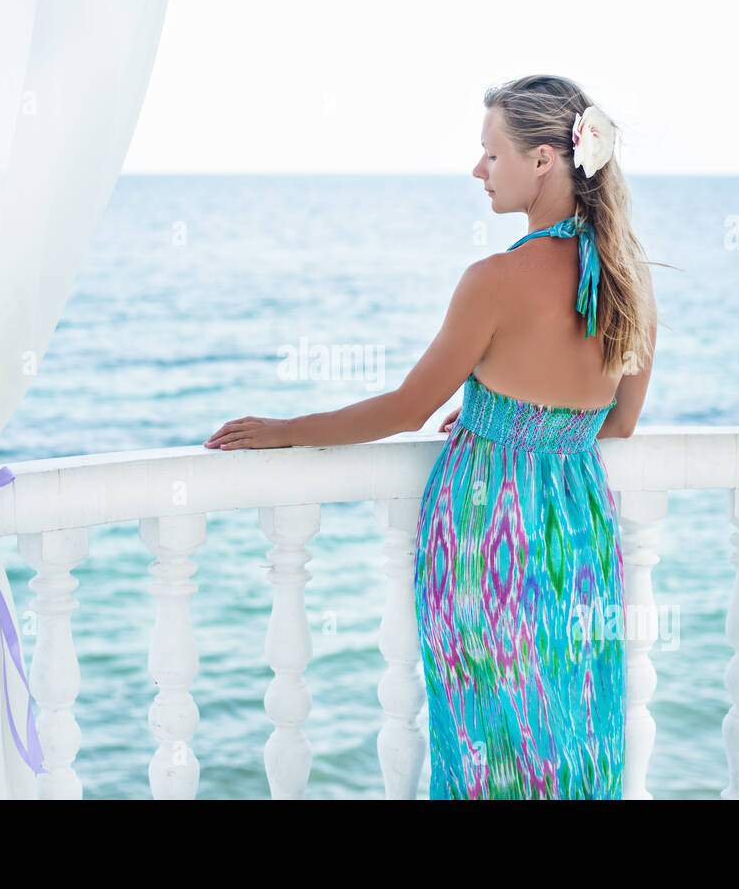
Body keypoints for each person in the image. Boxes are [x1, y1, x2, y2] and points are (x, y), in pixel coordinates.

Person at [204, 73, 658, 800]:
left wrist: (283, 430)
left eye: (490, 154)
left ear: (544, 160)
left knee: (484, 738)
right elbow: (622, 422)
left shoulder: (493, 280)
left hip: (487, 532)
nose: (478, 170)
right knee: (571, 726)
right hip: (578, 530)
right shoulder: (627, 279)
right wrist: (522, 416)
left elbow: (407, 408)